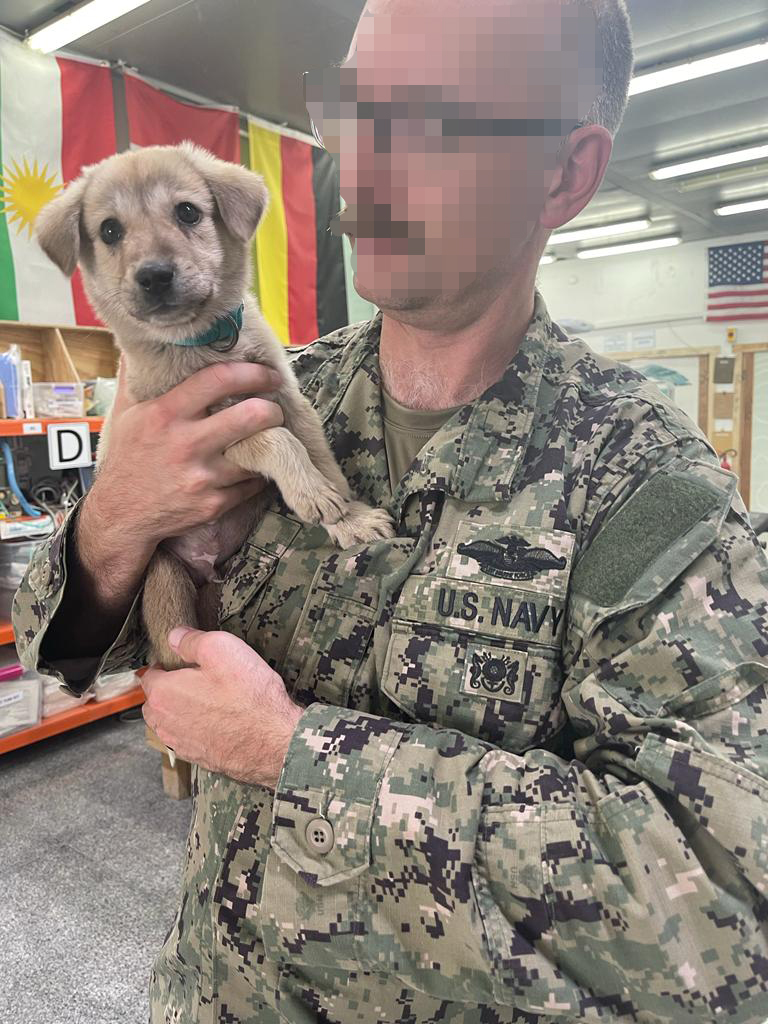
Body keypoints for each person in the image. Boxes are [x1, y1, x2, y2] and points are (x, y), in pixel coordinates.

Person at [14, 0, 768, 1021]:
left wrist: (291, 751)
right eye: (360, 107)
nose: (365, 163)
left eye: (440, 118)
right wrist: (109, 526)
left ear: (565, 175)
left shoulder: (649, 489)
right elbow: (54, 647)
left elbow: (720, 921)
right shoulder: (250, 394)